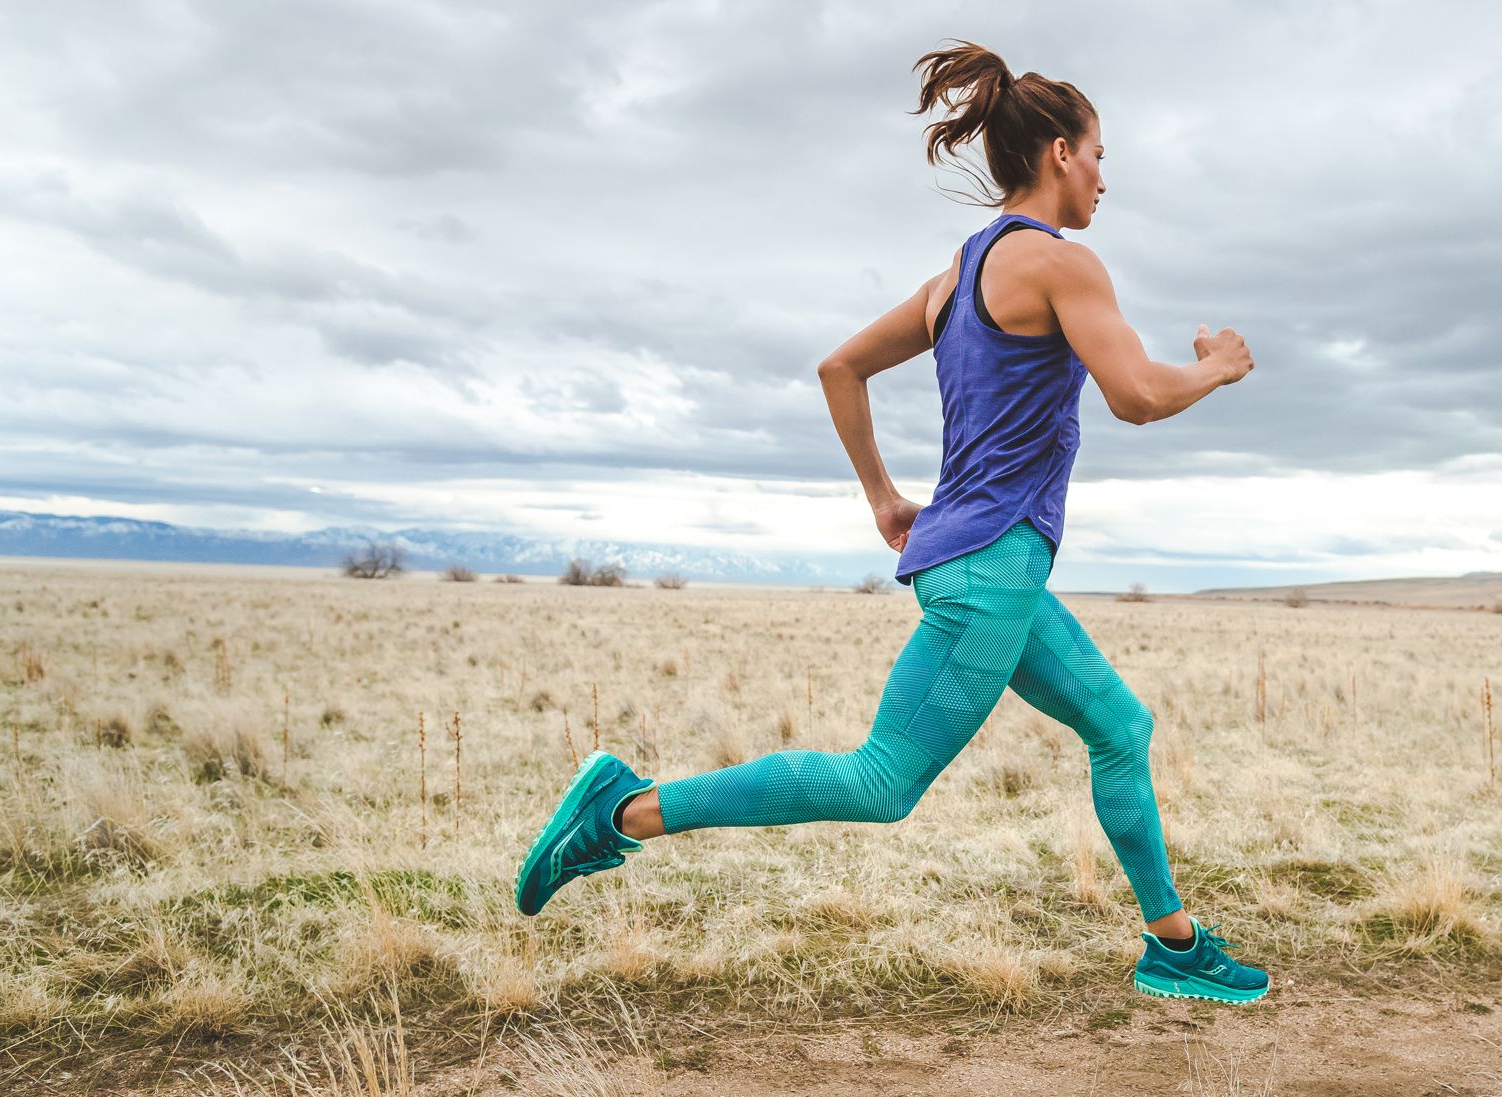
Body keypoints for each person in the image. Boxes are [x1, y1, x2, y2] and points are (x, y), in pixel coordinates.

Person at [513, 39, 1265, 1004]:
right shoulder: (1058, 262)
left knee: (1120, 724)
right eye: (1099, 155)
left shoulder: (955, 276)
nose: (1104, 181)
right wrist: (1218, 366)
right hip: (990, 571)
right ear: (1059, 155)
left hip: (990, 562)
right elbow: (1136, 395)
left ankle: (1173, 942)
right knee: (880, 782)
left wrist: (885, 499)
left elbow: (841, 367)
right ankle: (621, 812)